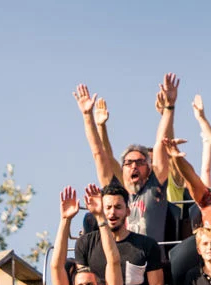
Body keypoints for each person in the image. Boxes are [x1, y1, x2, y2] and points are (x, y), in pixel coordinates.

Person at [73, 75, 184, 241]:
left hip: (150, 260)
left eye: (140, 162)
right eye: (128, 163)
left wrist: (169, 108)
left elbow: (162, 144)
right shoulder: (115, 191)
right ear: (122, 168)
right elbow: (99, 153)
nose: (134, 166)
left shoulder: (155, 188)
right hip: (119, 259)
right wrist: (87, 116)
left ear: (149, 168)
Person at [74, 180, 166, 285]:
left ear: (128, 211)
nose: (112, 213)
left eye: (118, 207)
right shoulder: (85, 243)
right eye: (108, 207)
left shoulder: (147, 245)